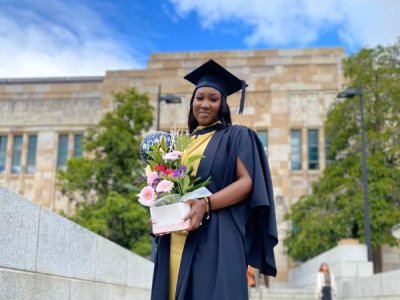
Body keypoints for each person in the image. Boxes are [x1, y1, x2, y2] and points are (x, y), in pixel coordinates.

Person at [151, 59, 278, 300]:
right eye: (200, 98)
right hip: (176, 238)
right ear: (192, 102)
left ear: (223, 105)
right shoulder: (179, 145)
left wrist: (206, 203)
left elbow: (247, 182)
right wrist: (160, 217)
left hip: (217, 237)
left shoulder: (237, 136)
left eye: (213, 98)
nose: (205, 104)